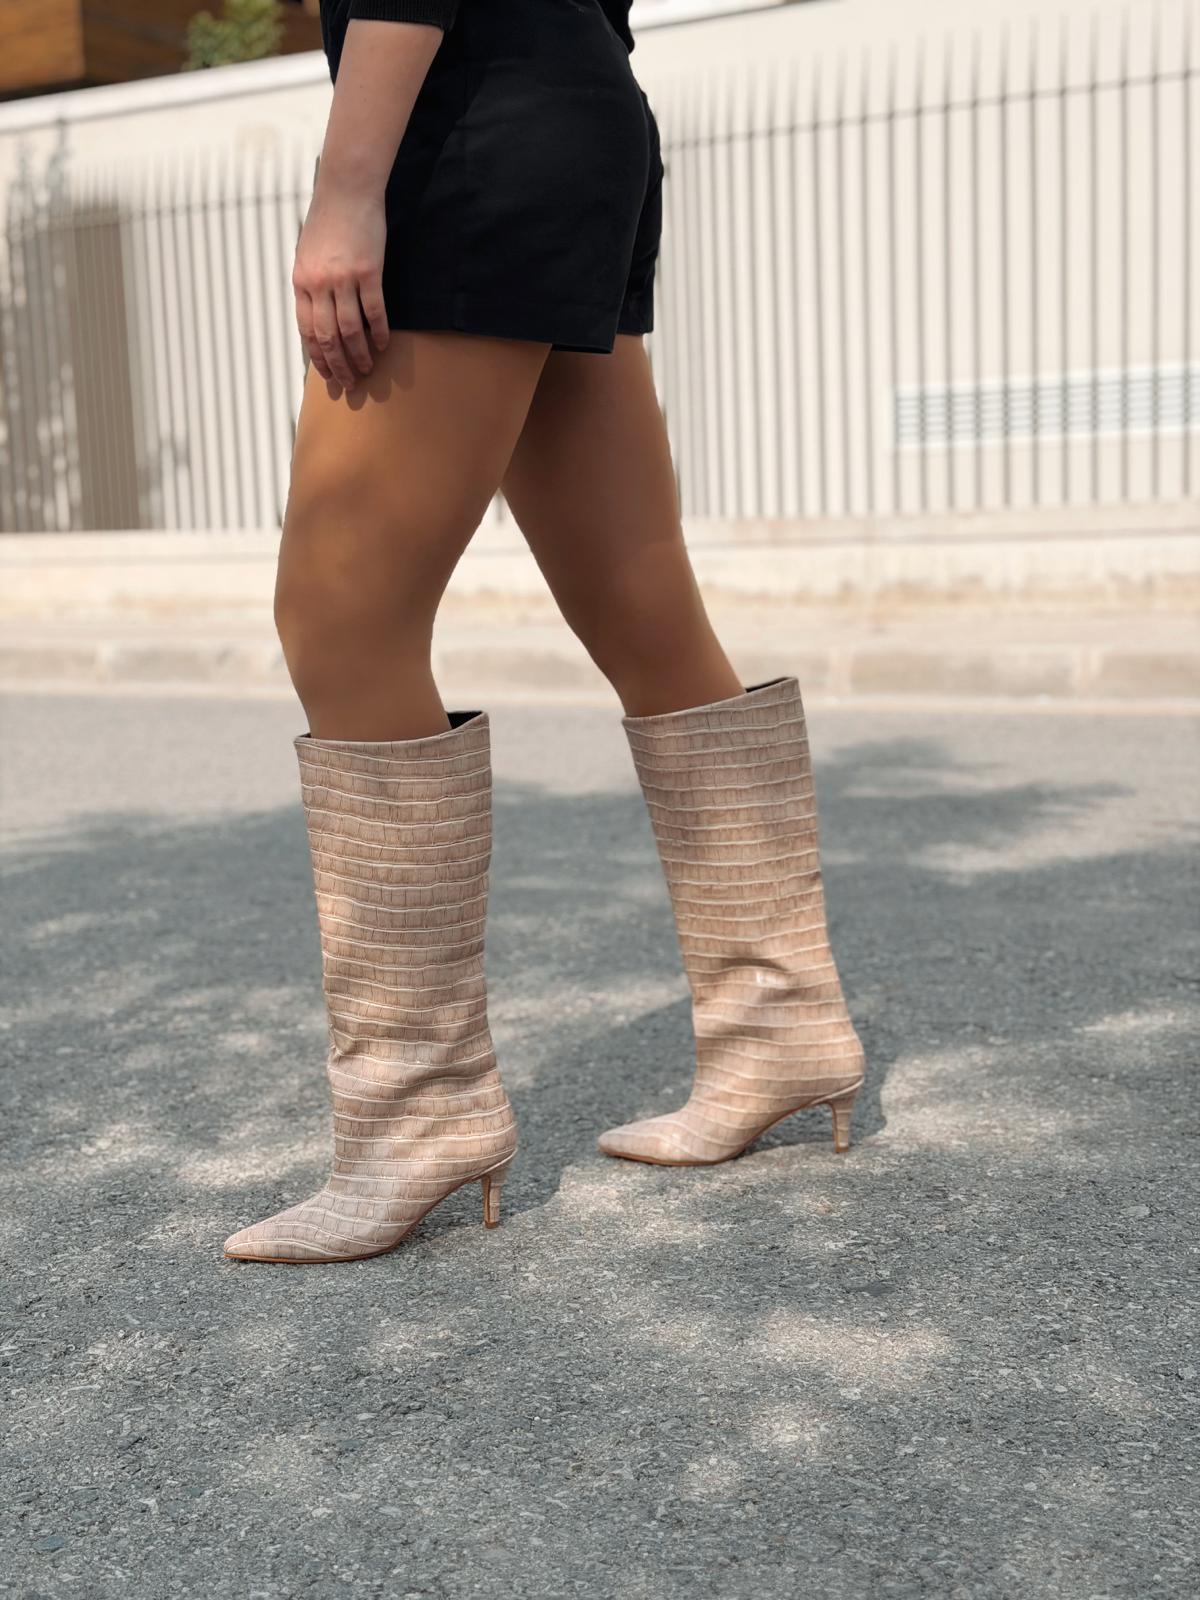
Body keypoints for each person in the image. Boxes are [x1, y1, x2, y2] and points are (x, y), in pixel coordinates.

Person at [223, 0, 864, 1264]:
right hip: (574, 106)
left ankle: (416, 1119)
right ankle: (781, 1026)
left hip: (470, 124)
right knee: (641, 604)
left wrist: (346, 191)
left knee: (340, 615)